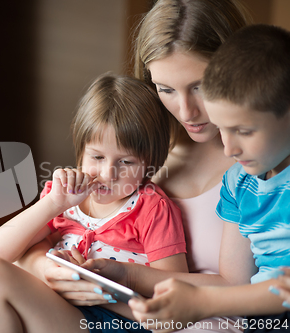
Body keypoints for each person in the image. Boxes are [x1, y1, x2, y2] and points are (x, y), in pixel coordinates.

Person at [15, 0, 253, 332]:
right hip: (94, 309)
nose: (186, 112)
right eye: (166, 89)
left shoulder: (256, 163)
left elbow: (238, 292)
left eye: (200, 86)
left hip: (180, 321)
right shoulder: (136, 145)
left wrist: (122, 278)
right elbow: (48, 233)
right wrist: (44, 268)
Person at [0, 73, 188, 333]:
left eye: (126, 162)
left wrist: (101, 291)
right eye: (97, 156)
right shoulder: (67, 195)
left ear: (149, 164)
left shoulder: (152, 208)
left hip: (112, 320)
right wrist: (53, 203)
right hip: (56, 306)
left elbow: (176, 293)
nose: (109, 173)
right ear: (81, 151)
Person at [129, 24, 290, 333]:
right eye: (223, 128)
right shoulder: (239, 182)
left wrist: (202, 302)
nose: (229, 148)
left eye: (243, 131)